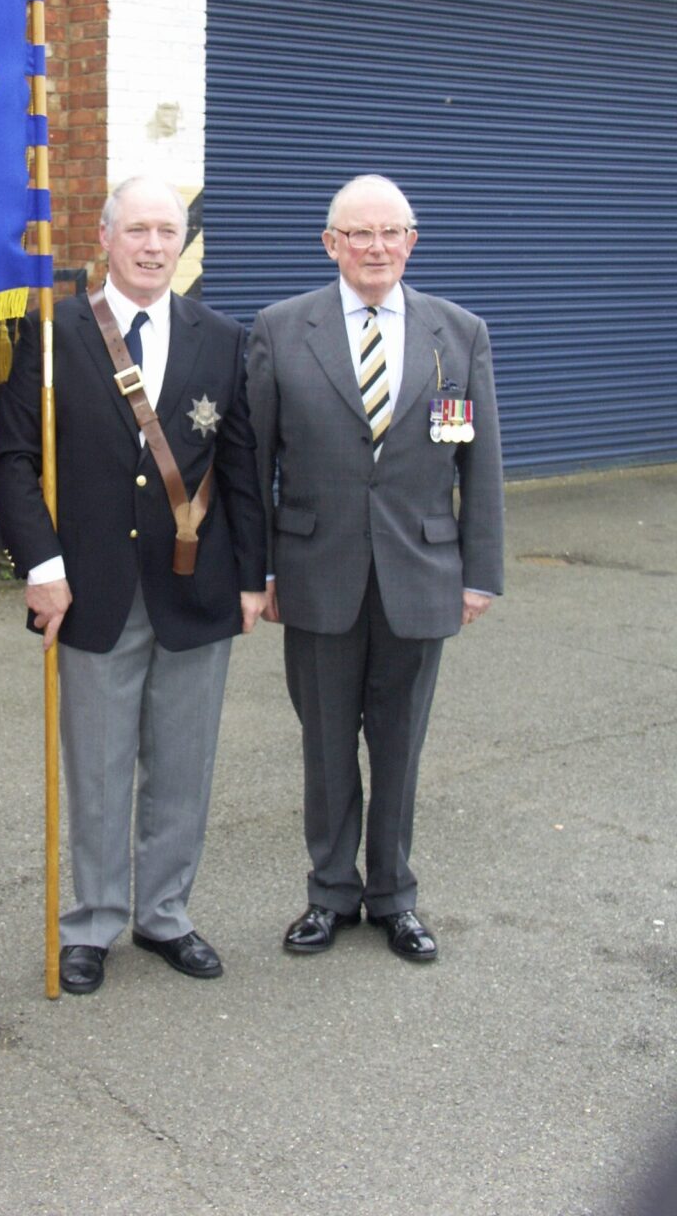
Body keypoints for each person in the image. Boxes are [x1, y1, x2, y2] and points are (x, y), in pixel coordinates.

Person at [0, 175, 268, 995]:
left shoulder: (223, 338)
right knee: (99, 770)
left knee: (184, 765)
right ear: (104, 237)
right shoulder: (54, 333)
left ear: (183, 243)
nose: (152, 246)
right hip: (89, 590)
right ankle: (93, 921)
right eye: (136, 229)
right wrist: (42, 568)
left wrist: (253, 577)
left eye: (166, 231)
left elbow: (244, 467)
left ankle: (166, 914)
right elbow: (11, 460)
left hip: (197, 588)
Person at [247, 174, 504, 962]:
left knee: (400, 747)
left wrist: (479, 573)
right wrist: (259, 573)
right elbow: (253, 467)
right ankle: (329, 894)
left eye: (391, 232)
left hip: (420, 574)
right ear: (331, 244)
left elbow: (481, 464)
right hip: (315, 572)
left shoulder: (458, 333)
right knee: (326, 749)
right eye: (359, 233)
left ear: (412, 242)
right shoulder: (281, 329)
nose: (376, 247)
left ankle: (394, 897)